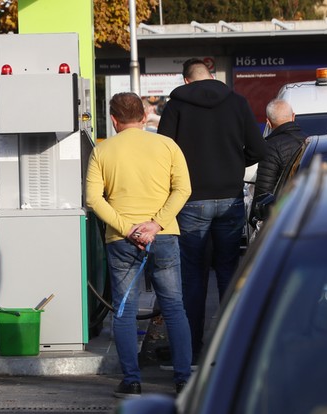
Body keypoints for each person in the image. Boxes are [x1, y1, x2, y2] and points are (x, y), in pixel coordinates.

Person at [157, 58, 266, 361]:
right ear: (211, 76)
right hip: (230, 198)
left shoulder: (176, 105)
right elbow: (259, 149)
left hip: (190, 200)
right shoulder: (237, 102)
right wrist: (233, 164)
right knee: (229, 271)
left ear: (187, 80)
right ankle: (231, 346)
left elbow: (163, 152)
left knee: (193, 275)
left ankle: (191, 350)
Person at [86, 92, 193, 397]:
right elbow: (183, 188)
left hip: (121, 240)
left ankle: (131, 380)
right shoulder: (167, 145)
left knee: (124, 310)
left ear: (114, 119)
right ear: (145, 117)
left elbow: (94, 198)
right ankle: (183, 378)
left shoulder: (102, 152)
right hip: (164, 235)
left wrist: (127, 228)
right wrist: (156, 223)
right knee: (173, 307)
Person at [254, 98, 306, 198]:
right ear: (293, 116)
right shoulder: (309, 141)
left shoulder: (270, 147)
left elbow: (263, 192)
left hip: (283, 209)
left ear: (268, 122)